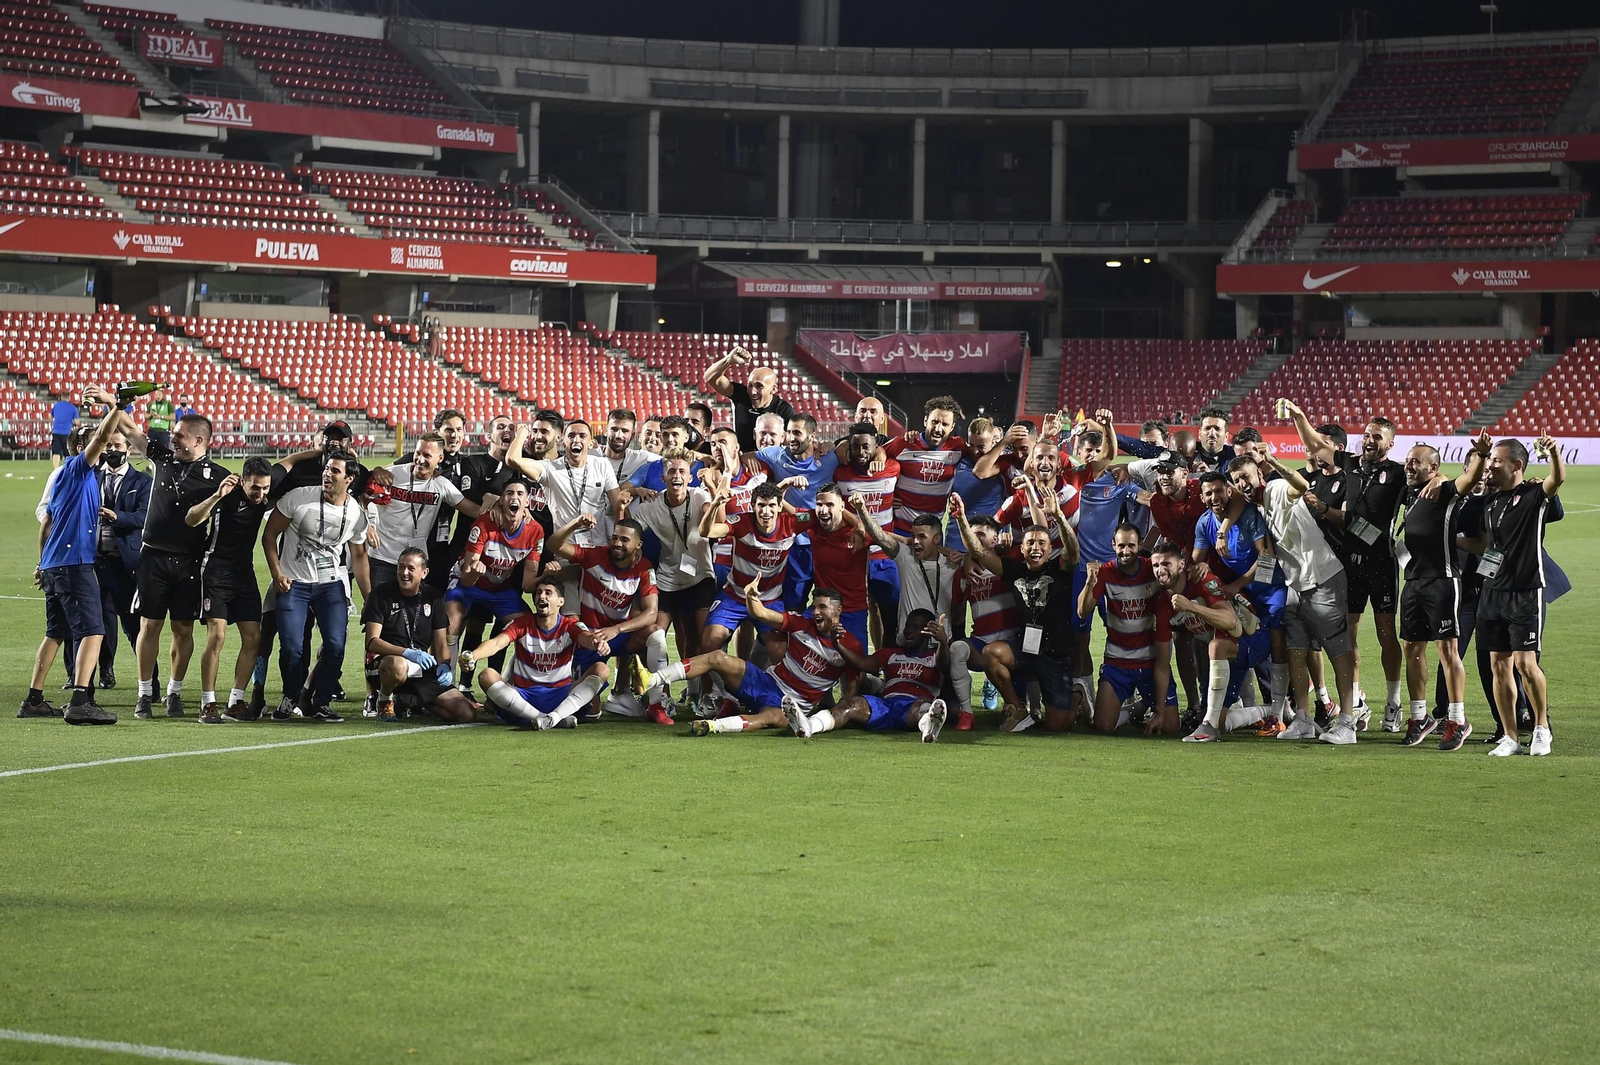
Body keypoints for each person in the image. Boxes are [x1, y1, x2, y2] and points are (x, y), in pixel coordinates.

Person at [1282, 402, 1406, 731]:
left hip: (1381, 562)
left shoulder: (1397, 473)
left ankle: (1394, 701)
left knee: (1384, 634)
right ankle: (1358, 699)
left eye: (1377, 437)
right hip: (1350, 564)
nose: (1369, 440)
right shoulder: (1350, 463)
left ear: (1390, 444)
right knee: (1346, 636)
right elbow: (1315, 445)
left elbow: (1426, 479)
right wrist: (1299, 416)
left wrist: (1436, 478)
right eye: (1366, 434)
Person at [1233, 453, 1358, 744]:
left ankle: (1348, 722)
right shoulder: (1256, 507)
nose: (1243, 483)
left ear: (1260, 475)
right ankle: (1303, 717)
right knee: (1297, 651)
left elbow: (1300, 486)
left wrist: (1273, 462)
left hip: (1323, 578)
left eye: (1247, 477)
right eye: (1238, 480)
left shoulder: (1275, 489)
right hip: (1295, 585)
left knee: (1339, 652)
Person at [21, 388, 125, 725]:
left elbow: (46, 523)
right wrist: (118, 406)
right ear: (83, 449)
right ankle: (81, 700)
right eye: (98, 443)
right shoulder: (79, 470)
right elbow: (102, 437)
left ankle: (34, 699)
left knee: (56, 633)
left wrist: (41, 563)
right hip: (73, 564)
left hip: (54, 563)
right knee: (94, 631)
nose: (106, 446)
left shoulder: (67, 477)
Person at [639, 584, 862, 736]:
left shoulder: (850, 647)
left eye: (822, 607)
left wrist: (836, 717)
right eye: (814, 607)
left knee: (769, 718)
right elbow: (763, 615)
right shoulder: (802, 623)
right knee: (717, 657)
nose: (815, 612)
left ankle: (713, 726)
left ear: (839, 610)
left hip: (790, 706)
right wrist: (752, 597)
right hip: (765, 682)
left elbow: (850, 692)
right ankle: (652, 680)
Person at [126, 411, 233, 719]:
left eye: (180, 434)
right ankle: (144, 693)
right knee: (150, 626)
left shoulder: (219, 476)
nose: (172, 437)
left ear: (199, 440)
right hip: (153, 557)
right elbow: (132, 432)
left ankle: (174, 692)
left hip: (190, 562)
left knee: (182, 629)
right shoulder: (162, 457)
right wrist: (113, 404)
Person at [952, 484, 1080, 733]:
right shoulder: (1015, 570)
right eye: (1030, 542)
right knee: (992, 653)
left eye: (1042, 543)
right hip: (1025, 648)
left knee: (1057, 726)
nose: (1036, 547)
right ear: (1021, 549)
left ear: (1050, 549)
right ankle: (1017, 707)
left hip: (1055, 654)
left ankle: (1076, 695)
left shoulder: (1060, 571)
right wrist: (960, 519)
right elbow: (979, 551)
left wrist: (1059, 517)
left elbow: (1073, 551)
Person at [261, 450, 372, 722]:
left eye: (335, 471)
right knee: (292, 647)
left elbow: (358, 555)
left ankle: (320, 704)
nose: (327, 474)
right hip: (294, 583)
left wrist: (370, 600)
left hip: (330, 585)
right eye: (326, 469)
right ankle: (290, 695)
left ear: (349, 478)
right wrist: (277, 573)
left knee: (335, 645)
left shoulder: (355, 512)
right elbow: (269, 535)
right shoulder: (299, 497)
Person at [1396, 433, 1490, 751]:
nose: (1409, 465)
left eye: (1416, 462)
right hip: (1412, 581)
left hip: (1442, 580)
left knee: (1447, 651)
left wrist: (1479, 453)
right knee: (1411, 648)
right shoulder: (1407, 492)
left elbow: (1471, 476)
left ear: (1433, 467)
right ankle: (1420, 716)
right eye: (1408, 460)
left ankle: (1457, 718)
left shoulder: (1446, 490)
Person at [1472, 436, 1564, 756]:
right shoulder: (1493, 501)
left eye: (1497, 461)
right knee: (1499, 666)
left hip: (1525, 592)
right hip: (1492, 593)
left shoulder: (1534, 496)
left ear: (1517, 466)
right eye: (1491, 460)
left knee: (1525, 664)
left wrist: (1552, 452)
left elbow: (1558, 480)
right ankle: (1509, 736)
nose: (1491, 465)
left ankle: (1541, 728)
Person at [854, 493, 976, 719]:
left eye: (922, 537)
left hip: (939, 650)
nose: (916, 542)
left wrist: (963, 558)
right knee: (901, 694)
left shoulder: (952, 564)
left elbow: (977, 556)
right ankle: (881, 690)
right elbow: (880, 536)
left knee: (952, 710)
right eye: (913, 536)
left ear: (937, 539)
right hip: (907, 645)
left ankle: (881, 689)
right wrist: (862, 509)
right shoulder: (905, 558)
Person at [1192, 471, 1290, 732]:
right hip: (1246, 596)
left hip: (1271, 590)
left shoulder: (1248, 516)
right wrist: (1200, 566)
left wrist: (1236, 585)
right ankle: (1263, 710)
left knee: (1277, 641)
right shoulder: (1204, 524)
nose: (1214, 497)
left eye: (1218, 491)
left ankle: (1278, 714)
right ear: (1202, 498)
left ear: (1229, 491)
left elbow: (1268, 558)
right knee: (1240, 643)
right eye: (1208, 493)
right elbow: (1196, 559)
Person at [617, 451, 713, 717]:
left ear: (690, 477)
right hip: (669, 578)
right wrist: (623, 505)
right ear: (663, 478)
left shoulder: (700, 496)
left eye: (682, 472)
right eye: (672, 472)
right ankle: (661, 699)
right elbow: (628, 532)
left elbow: (711, 516)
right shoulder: (651, 506)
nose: (677, 476)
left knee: (701, 639)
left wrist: (716, 494)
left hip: (701, 575)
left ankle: (703, 696)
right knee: (656, 636)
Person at [545, 514, 666, 724]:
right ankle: (608, 696)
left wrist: (617, 630)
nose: (617, 543)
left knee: (655, 633)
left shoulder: (645, 568)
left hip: (618, 636)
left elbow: (651, 613)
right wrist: (575, 524)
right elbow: (554, 545)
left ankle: (657, 705)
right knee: (590, 714)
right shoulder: (594, 556)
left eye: (624, 540)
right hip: (590, 638)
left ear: (638, 544)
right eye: (614, 538)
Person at [1146, 542, 1261, 743]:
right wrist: (1160, 712)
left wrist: (1190, 606)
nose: (1160, 570)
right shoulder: (1163, 606)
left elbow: (1230, 621)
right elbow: (1163, 665)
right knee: (1222, 720)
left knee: (1215, 646)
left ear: (1181, 565)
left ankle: (1209, 726)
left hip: (1252, 640)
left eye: (1166, 564)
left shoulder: (1200, 579)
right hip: (1227, 656)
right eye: (1155, 566)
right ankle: (1268, 712)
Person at [187, 457, 274, 723]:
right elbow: (191, 519)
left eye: (265, 488)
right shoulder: (226, 494)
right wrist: (216, 495)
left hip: (244, 575)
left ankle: (236, 701)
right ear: (243, 481)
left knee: (253, 637)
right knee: (218, 636)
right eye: (255, 488)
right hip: (214, 572)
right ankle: (208, 703)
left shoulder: (266, 498)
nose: (260, 494)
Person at [508, 419, 621, 614]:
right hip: (566, 551)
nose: (576, 439)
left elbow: (618, 504)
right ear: (563, 441)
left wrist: (617, 542)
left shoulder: (602, 464)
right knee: (571, 617)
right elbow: (512, 460)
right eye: (571, 436)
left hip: (599, 551)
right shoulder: (550, 469)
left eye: (582, 436)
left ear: (590, 441)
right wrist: (523, 432)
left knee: (599, 617)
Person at [464, 579, 611, 729]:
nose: (542, 596)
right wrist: (474, 656)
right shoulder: (521, 624)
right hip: (524, 696)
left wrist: (597, 642)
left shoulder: (570, 626)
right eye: (539, 593)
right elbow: (496, 643)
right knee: (486, 675)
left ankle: (551, 718)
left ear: (561, 601)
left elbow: (586, 637)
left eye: (548, 593)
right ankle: (551, 719)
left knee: (602, 669)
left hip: (561, 695)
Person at [1077, 523, 1178, 736]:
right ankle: (1138, 708)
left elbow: (1177, 576)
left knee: (1170, 727)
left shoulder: (1152, 568)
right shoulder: (1104, 572)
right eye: (1121, 545)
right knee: (1103, 726)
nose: (1126, 551)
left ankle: (1145, 705)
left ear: (1140, 545)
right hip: (1117, 662)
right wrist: (1089, 582)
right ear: (1113, 545)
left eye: (1131, 545)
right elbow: (1082, 612)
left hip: (1151, 663)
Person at [444, 480, 542, 683]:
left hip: (500, 590)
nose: (514, 497)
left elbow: (527, 584)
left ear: (527, 502)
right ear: (502, 500)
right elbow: (467, 578)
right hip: (467, 584)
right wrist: (475, 572)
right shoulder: (483, 524)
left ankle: (508, 681)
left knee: (533, 629)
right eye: (509, 493)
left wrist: (548, 576)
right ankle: (447, 683)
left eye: (520, 494)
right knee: (452, 621)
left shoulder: (535, 532)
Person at [362, 546, 473, 723]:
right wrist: (406, 652)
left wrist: (444, 665)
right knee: (396, 665)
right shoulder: (381, 594)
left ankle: (412, 700)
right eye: (401, 567)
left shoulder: (434, 597)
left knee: (465, 713)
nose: (404, 573)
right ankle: (384, 700)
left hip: (421, 669)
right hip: (386, 665)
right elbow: (372, 642)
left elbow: (441, 644)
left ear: (424, 572)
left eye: (411, 568)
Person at [808, 607, 950, 742]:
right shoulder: (891, 654)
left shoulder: (934, 656)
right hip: (886, 705)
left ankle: (929, 727)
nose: (908, 631)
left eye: (915, 627)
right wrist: (838, 645)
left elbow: (945, 665)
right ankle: (810, 725)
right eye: (907, 626)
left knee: (922, 706)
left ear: (927, 632)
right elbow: (862, 663)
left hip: (912, 705)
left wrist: (943, 642)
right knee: (852, 704)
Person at [367, 432, 482, 589]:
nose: (420, 460)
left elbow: (475, 511)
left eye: (427, 455)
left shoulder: (441, 484)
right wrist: (367, 526)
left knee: (410, 612)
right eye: (417, 453)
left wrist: (493, 501)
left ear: (440, 458)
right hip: (383, 559)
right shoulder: (392, 475)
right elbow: (362, 497)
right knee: (378, 610)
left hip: (415, 563)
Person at [697, 481, 796, 660]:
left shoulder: (792, 523)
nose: (766, 512)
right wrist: (716, 503)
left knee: (780, 650)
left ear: (780, 506)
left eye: (772, 505)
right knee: (709, 642)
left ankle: (754, 673)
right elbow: (706, 532)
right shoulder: (741, 522)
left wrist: (857, 525)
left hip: (769, 600)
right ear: (753, 506)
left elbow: (820, 515)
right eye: (761, 505)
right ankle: (720, 688)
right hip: (735, 597)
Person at [831, 422, 902, 646]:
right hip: (853, 554)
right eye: (855, 447)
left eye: (866, 447)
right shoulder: (839, 473)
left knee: (890, 611)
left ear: (875, 446)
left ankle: (888, 660)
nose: (861, 452)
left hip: (884, 554)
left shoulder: (892, 469)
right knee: (854, 611)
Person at [91, 427, 148, 691]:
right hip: (95, 562)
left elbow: (144, 517)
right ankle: (105, 672)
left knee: (134, 626)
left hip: (126, 563)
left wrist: (117, 517)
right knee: (100, 623)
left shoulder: (142, 482)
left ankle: (150, 682)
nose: (112, 450)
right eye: (108, 445)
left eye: (117, 445)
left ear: (129, 448)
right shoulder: (91, 477)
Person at [884, 396, 968, 537]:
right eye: (934, 422)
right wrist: (885, 496)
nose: (938, 429)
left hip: (933, 535)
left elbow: (979, 457)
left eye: (945, 424)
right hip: (899, 531)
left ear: (952, 427)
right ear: (925, 421)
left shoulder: (958, 448)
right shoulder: (903, 444)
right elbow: (874, 454)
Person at [703, 345, 797, 452]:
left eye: (759, 386)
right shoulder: (742, 395)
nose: (752, 392)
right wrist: (728, 360)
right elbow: (710, 377)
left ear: (773, 389)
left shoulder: (784, 410)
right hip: (741, 461)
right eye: (750, 385)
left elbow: (791, 445)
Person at [1192, 407, 1235, 472]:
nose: (1212, 433)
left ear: (1226, 436)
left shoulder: (1234, 457)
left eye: (1217, 429)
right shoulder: (1189, 454)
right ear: (1199, 434)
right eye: (1207, 428)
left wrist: (1211, 476)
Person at [49, 393, 79, 469]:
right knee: (67, 452)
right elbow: (76, 422)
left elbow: (51, 416)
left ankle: (55, 469)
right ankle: (67, 468)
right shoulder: (73, 408)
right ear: (68, 398)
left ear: (61, 397)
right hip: (67, 432)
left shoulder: (56, 406)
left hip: (56, 431)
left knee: (56, 452)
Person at [145, 389, 174, 454]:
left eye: (159, 394)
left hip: (163, 431)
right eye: (156, 395)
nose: (158, 396)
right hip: (152, 430)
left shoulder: (168, 404)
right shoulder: (151, 404)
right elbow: (146, 416)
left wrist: (161, 416)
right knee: (151, 450)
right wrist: (150, 414)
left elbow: (173, 416)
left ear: (162, 395)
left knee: (163, 450)